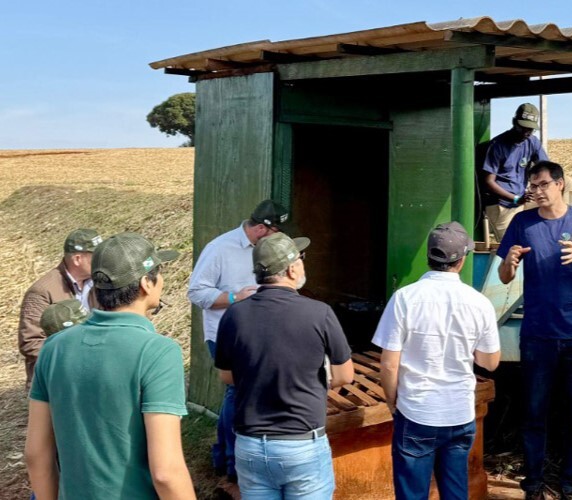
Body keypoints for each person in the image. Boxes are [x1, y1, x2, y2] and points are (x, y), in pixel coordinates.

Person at [25, 233, 194, 499]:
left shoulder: (53, 348)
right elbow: (166, 472)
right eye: (159, 273)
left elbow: (36, 455)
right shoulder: (158, 353)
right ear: (146, 284)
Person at [497, 161, 572, 500]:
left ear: (560, 185)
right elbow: (505, 276)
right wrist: (509, 263)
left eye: (542, 184)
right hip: (537, 335)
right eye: (531, 186)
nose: (535, 191)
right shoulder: (522, 222)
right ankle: (533, 484)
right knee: (534, 414)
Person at [215, 232, 354, 500]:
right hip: (302, 446)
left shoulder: (234, 315)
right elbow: (345, 376)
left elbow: (226, 376)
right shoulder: (319, 313)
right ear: (291, 268)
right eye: (301, 259)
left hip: (251, 445)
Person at [373, 221, 502, 500]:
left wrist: (392, 400)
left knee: (411, 494)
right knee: (456, 492)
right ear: (462, 258)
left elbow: (388, 364)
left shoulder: (404, 298)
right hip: (459, 412)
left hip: (416, 411)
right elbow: (490, 362)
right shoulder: (479, 303)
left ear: (429, 257)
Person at [187, 198, 289, 485]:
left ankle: (223, 457)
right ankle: (233, 465)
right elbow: (196, 292)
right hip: (226, 335)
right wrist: (235, 298)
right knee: (237, 395)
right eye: (274, 234)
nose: (278, 241)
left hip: (261, 334)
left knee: (236, 396)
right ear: (259, 229)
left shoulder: (271, 245)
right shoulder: (220, 249)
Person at [18, 228, 101, 389]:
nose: (101, 261)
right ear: (77, 259)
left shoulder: (98, 282)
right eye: (95, 257)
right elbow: (31, 343)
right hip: (56, 381)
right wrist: (77, 359)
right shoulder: (42, 291)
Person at [481, 103, 549, 241]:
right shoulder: (498, 145)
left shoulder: (532, 142)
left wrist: (538, 185)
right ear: (514, 123)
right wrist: (516, 199)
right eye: (522, 128)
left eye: (530, 129)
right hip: (501, 205)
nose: (526, 133)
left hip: (521, 199)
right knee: (512, 247)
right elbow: (488, 182)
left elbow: (545, 168)